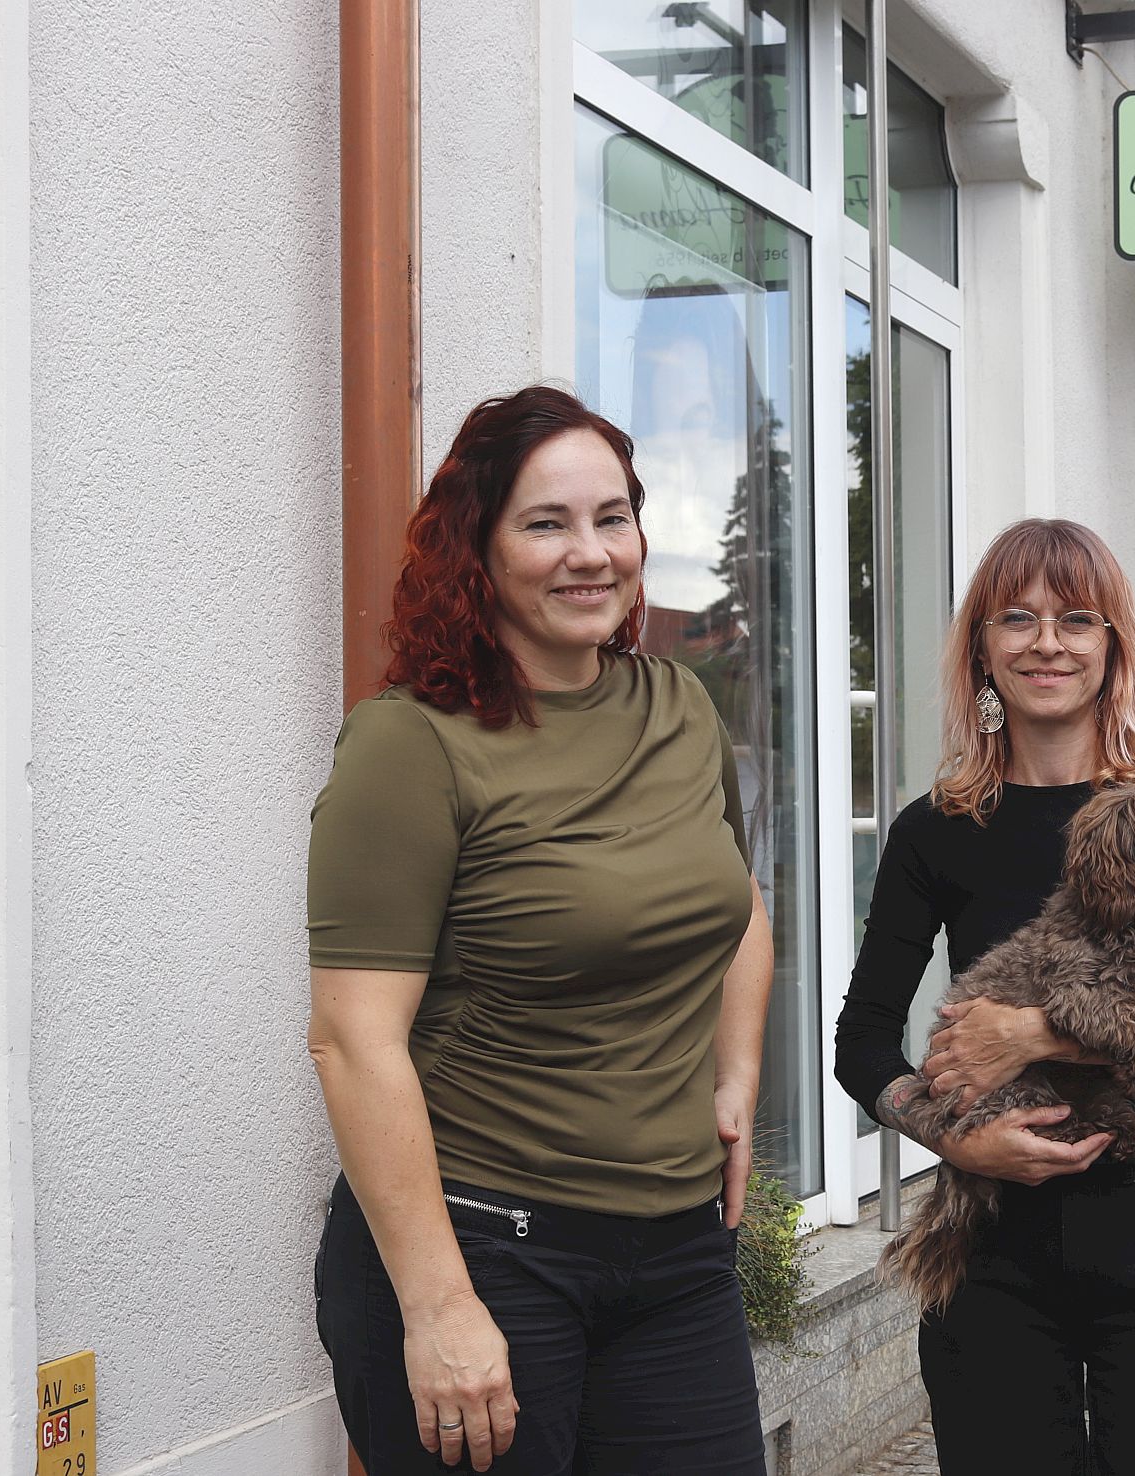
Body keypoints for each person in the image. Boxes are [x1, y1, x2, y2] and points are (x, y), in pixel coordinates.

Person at [306, 386, 772, 1475]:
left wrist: (735, 1076)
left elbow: (736, 903)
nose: (590, 554)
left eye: (612, 518)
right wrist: (438, 1306)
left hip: (676, 1254)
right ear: (476, 548)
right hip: (483, 1249)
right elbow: (352, 1039)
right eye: (546, 523)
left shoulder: (678, 706)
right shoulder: (410, 744)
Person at [833, 518, 1135, 1476]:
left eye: (1078, 619)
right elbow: (862, 1041)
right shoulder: (935, 831)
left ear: (1112, 644)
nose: (1047, 643)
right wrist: (955, 1137)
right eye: (1018, 619)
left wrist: (1032, 1033)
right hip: (990, 1232)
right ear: (983, 650)